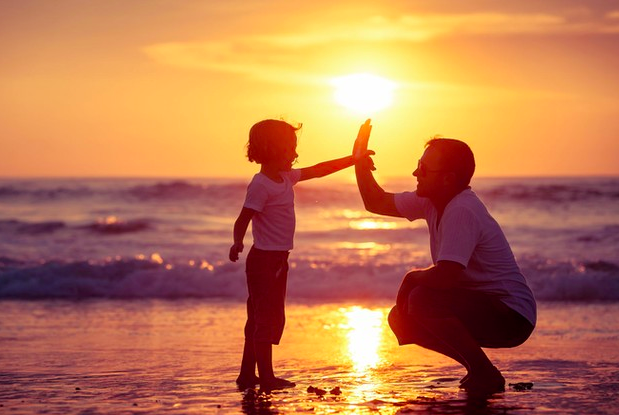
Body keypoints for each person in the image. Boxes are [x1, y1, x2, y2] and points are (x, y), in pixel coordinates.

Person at [354, 127, 536, 396]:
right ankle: (479, 369)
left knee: (422, 299)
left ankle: (483, 371)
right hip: (484, 305)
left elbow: (446, 277)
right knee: (401, 318)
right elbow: (375, 202)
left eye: (424, 169)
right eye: (418, 166)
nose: (416, 173)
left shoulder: (462, 209)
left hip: (512, 316)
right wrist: (359, 161)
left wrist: (410, 278)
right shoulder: (432, 200)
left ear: (448, 179)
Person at [230, 119, 372, 393]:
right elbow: (243, 218)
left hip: (278, 259)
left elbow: (319, 170)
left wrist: (353, 160)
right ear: (273, 149)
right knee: (265, 318)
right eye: (290, 148)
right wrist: (237, 242)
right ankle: (267, 378)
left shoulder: (285, 178)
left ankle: (247, 374)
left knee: (259, 316)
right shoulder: (261, 184)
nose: (294, 153)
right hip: (264, 261)